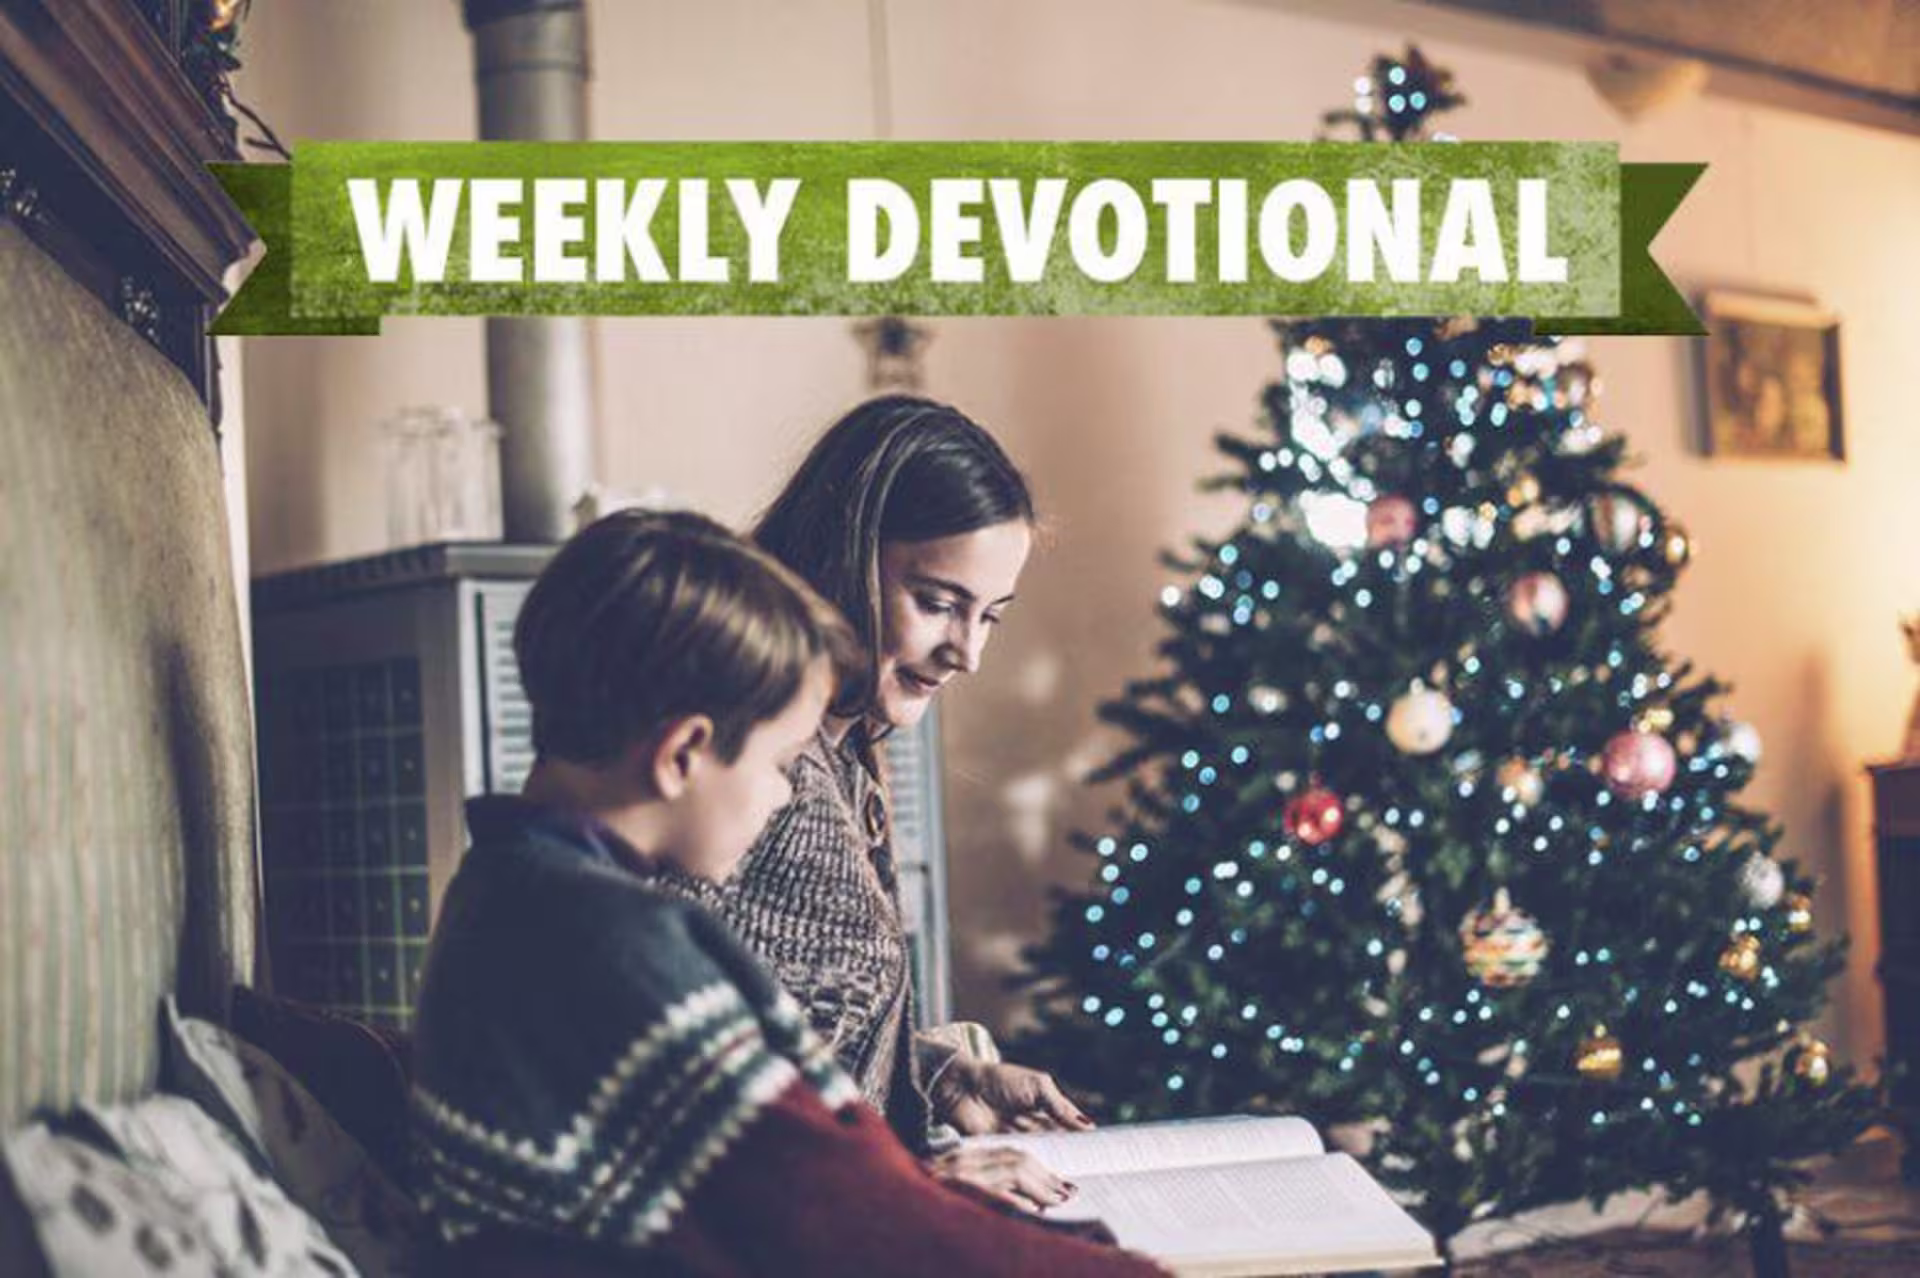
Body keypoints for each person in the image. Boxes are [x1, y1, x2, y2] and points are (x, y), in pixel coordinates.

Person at [409, 509, 1159, 1277]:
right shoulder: (613, 941)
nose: (780, 799)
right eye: (778, 764)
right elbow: (838, 1219)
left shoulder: (503, 890)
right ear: (685, 755)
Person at [646, 396, 1089, 1208]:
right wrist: (913, 1181)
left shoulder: (845, 756)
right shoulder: (745, 776)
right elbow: (664, 1087)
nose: (968, 654)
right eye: (937, 603)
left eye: (989, 615)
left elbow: (787, 1037)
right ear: (843, 554)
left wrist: (942, 1078)